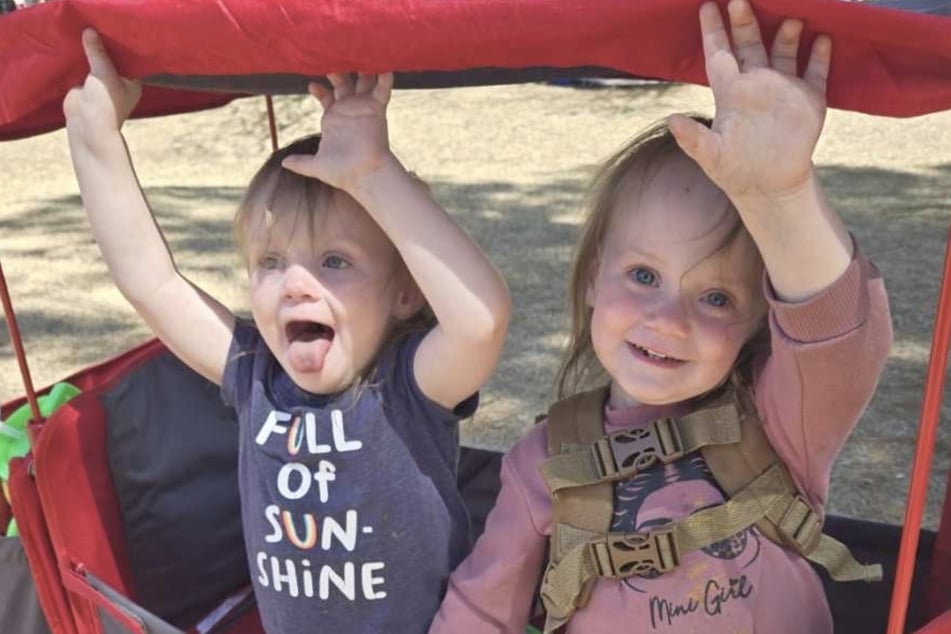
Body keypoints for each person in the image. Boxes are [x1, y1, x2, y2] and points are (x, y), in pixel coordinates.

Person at [429, 1, 892, 632]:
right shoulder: (543, 461)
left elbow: (840, 337)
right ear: (593, 273)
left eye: (717, 298)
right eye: (644, 276)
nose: (668, 320)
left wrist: (783, 195)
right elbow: (481, 609)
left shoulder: (781, 425)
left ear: (761, 320)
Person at [63, 29, 511, 634]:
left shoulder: (410, 385)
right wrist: (97, 143)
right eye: (271, 262)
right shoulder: (254, 375)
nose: (295, 285)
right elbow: (151, 282)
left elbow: (481, 319)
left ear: (406, 292)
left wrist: (374, 174)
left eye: (335, 262)